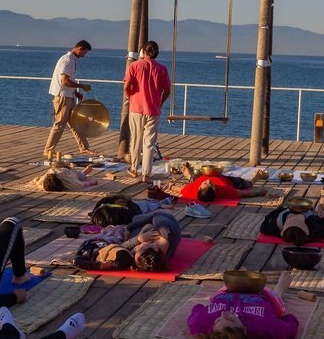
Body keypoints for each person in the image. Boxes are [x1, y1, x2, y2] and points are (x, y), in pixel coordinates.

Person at [187, 270, 299, 339]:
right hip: (264, 295)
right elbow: (290, 322)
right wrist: (280, 290)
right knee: (276, 296)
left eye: (218, 319)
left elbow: (197, 307)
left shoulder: (199, 325)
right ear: (244, 330)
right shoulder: (266, 329)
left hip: (229, 290)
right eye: (231, 317)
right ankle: (280, 287)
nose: (223, 313)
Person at [123, 41, 171, 184]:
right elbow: (167, 90)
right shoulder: (162, 69)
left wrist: (129, 96)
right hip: (153, 109)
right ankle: (146, 174)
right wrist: (160, 103)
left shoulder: (134, 66)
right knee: (149, 143)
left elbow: (127, 85)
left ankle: (134, 168)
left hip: (136, 108)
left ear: (143, 51)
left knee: (136, 140)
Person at [75, 210, 181, 272]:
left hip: (129, 234)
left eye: (138, 249)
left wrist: (138, 240)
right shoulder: (164, 228)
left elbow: (121, 247)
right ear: (154, 246)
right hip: (140, 222)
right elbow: (157, 215)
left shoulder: (149, 256)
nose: (137, 247)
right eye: (140, 247)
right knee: (135, 217)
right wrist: (130, 228)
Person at [43, 40, 96, 159]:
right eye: (84, 53)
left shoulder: (71, 60)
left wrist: (75, 92)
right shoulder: (67, 60)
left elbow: (68, 81)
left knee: (76, 122)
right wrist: (82, 86)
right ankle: (48, 150)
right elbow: (65, 81)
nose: (84, 55)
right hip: (62, 97)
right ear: (79, 48)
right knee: (59, 124)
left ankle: (84, 147)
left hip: (68, 96)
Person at [177, 163, 268, 202]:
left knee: (193, 180)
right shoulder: (226, 190)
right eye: (211, 184)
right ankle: (256, 177)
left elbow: (179, 190)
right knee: (247, 185)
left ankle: (189, 175)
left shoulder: (191, 191)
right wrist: (259, 192)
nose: (208, 180)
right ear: (214, 189)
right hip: (225, 179)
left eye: (205, 183)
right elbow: (244, 193)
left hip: (201, 176)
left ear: (199, 188)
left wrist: (171, 186)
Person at [259, 202, 324, 246]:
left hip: (288, 211)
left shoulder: (275, 226)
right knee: (316, 214)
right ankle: (317, 211)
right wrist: (317, 215)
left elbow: (268, 217)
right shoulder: (311, 222)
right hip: (309, 214)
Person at [33, 164, 109, 192]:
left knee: (75, 172)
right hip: (70, 172)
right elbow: (82, 184)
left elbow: (39, 183)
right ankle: (85, 171)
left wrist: (36, 181)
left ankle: (81, 170)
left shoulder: (49, 175)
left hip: (62, 170)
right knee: (80, 175)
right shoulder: (69, 183)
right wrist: (93, 182)